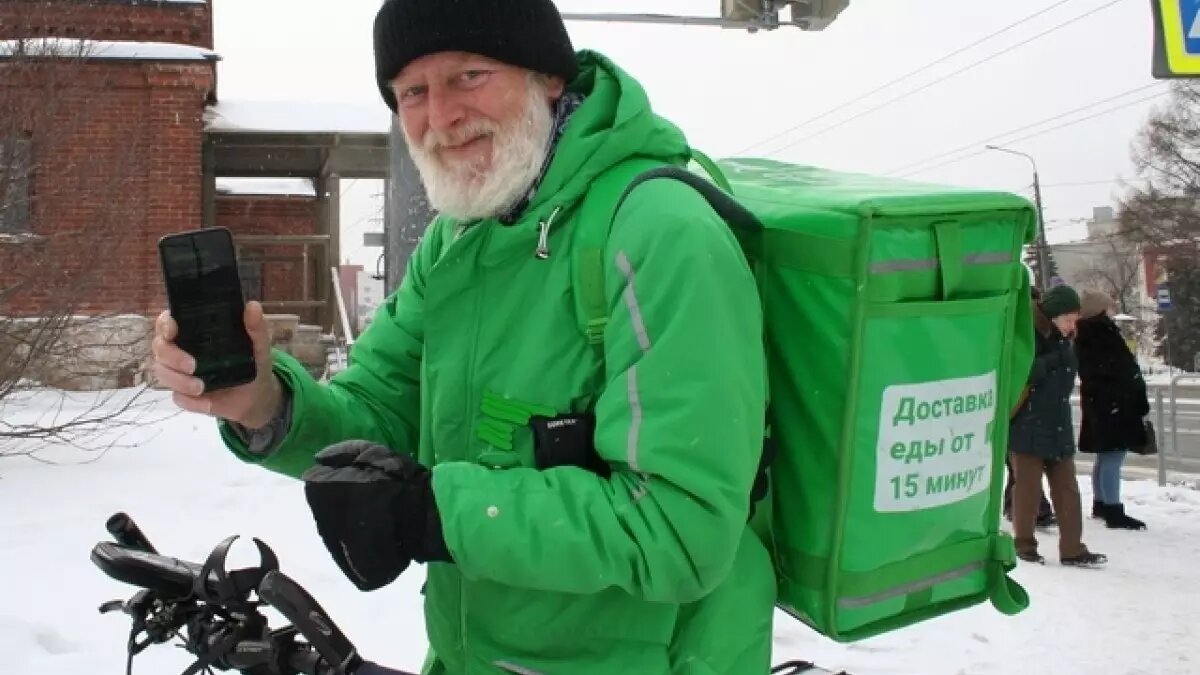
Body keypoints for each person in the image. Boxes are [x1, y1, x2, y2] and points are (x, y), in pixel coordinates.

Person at [152, 1, 774, 673]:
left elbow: (682, 527)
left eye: (469, 76)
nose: (440, 118)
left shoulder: (661, 234)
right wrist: (265, 403)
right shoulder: (460, 239)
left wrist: (436, 511)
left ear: (549, 77)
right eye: (413, 92)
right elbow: (380, 412)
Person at [1008, 283, 1107, 567]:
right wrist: (1053, 360)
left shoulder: (1066, 339)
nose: (1072, 324)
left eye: (1075, 318)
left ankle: (1072, 548)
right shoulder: (1028, 335)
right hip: (1028, 423)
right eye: (1067, 319)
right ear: (1051, 316)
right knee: (1027, 488)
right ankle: (1024, 544)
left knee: (1067, 489)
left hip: (1058, 423)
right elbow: (1021, 372)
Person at [1075, 288, 1150, 530]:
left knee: (1105, 454)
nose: (1113, 308)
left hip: (1102, 403)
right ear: (1100, 309)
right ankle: (1113, 509)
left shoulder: (1084, 332)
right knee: (1113, 454)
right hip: (1114, 403)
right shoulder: (1102, 332)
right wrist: (1133, 393)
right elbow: (1119, 369)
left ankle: (1101, 503)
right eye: (1109, 305)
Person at [1004, 286, 1056, 528]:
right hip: (1018, 400)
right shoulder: (1025, 327)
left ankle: (1017, 505)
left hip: (1020, 401)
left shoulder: (1025, 324)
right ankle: (1036, 509)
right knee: (1020, 463)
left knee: (1017, 461)